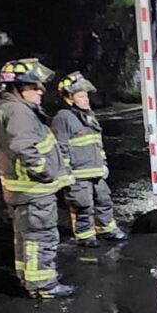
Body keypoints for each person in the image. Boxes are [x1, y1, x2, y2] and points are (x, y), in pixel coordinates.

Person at [0, 59, 74, 299]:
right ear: (16, 88)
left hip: (21, 190)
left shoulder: (3, 110)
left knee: (26, 238)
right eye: (33, 87)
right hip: (34, 190)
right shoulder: (18, 111)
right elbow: (23, 147)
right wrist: (44, 172)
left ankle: (30, 279)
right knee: (41, 236)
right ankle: (44, 285)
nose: (40, 92)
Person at [51, 72, 127, 247]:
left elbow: (97, 143)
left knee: (104, 201)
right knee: (83, 206)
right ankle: (85, 236)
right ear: (69, 98)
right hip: (78, 175)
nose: (86, 100)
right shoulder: (63, 118)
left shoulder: (89, 116)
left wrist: (104, 164)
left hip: (96, 170)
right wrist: (66, 173)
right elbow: (60, 147)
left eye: (86, 96)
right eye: (80, 96)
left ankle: (106, 229)